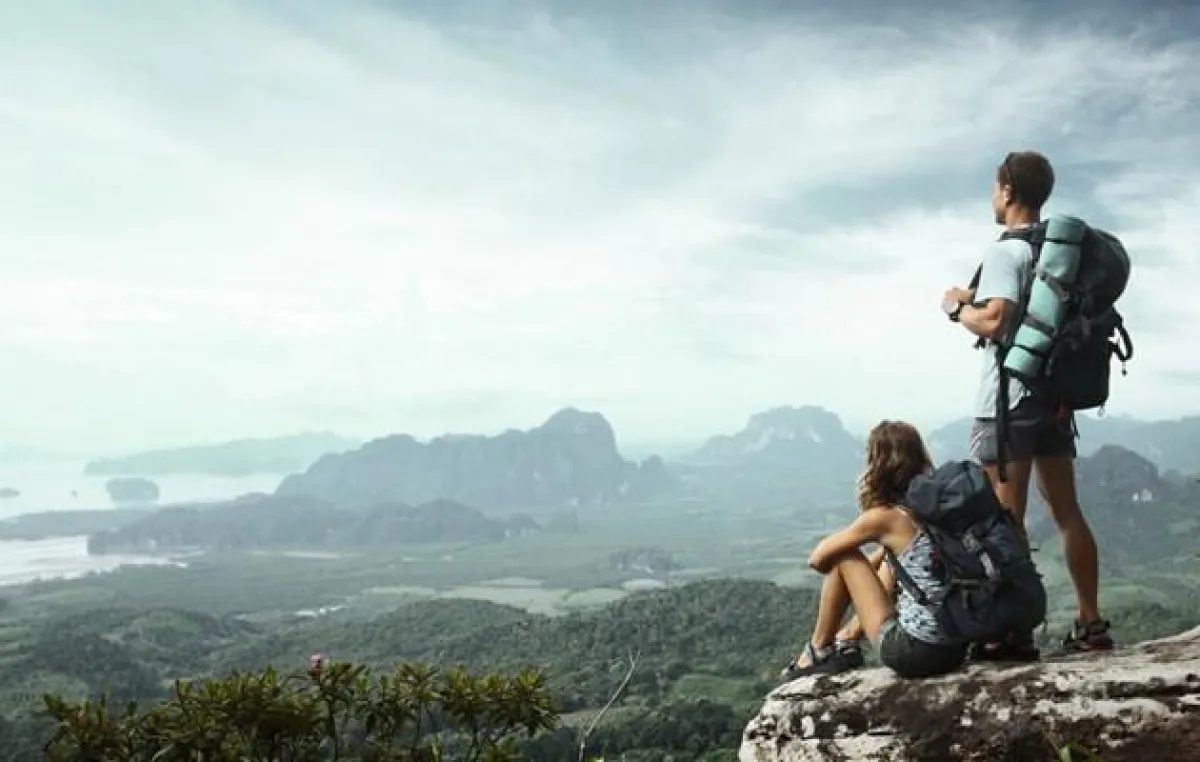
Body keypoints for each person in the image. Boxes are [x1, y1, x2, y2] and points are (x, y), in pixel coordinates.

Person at [942, 150, 1112, 656]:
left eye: (995, 187)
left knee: (1004, 518)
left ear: (1008, 190)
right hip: (1055, 400)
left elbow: (996, 320)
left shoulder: (1006, 252)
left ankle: (1011, 632)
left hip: (1009, 401)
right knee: (1067, 513)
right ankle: (1091, 623)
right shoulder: (1058, 255)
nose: (992, 197)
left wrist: (956, 309)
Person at [780, 421, 968, 680]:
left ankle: (817, 650)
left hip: (915, 653)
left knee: (844, 555)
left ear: (878, 463)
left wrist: (861, 552)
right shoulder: (935, 508)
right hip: (955, 647)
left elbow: (819, 560)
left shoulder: (886, 517)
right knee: (891, 560)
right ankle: (847, 638)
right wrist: (884, 551)